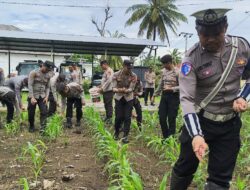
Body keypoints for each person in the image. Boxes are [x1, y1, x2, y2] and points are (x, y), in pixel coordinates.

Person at [170, 9, 250, 190]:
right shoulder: (191, 60)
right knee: (184, 168)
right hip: (202, 121)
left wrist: (242, 96)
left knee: (220, 180)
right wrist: (197, 135)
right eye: (205, 35)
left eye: (217, 34)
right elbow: (187, 101)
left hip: (229, 124)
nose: (211, 39)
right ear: (198, 33)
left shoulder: (242, 47)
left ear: (226, 29)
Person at [152, 54, 180, 139]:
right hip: (164, 96)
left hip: (174, 97)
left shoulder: (178, 72)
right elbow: (161, 84)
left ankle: (170, 138)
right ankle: (165, 137)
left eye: (164, 64)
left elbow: (183, 86)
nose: (163, 66)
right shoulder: (163, 71)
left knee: (171, 118)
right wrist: (154, 95)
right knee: (162, 117)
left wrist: (172, 88)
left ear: (169, 63)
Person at [112, 60, 137, 143]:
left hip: (128, 98)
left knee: (127, 117)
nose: (129, 70)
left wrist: (126, 90)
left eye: (131, 68)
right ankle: (116, 132)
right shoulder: (116, 74)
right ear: (123, 66)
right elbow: (113, 87)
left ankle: (125, 136)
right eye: (128, 68)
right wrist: (119, 89)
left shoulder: (134, 75)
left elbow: (132, 88)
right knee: (118, 117)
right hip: (118, 97)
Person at [27, 61, 54, 133]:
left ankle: (43, 128)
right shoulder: (34, 72)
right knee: (31, 112)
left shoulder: (48, 74)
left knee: (44, 112)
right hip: (33, 95)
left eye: (49, 70)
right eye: (47, 69)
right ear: (43, 66)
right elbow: (30, 85)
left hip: (42, 96)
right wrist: (32, 97)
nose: (47, 71)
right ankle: (31, 126)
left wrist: (47, 97)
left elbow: (48, 87)